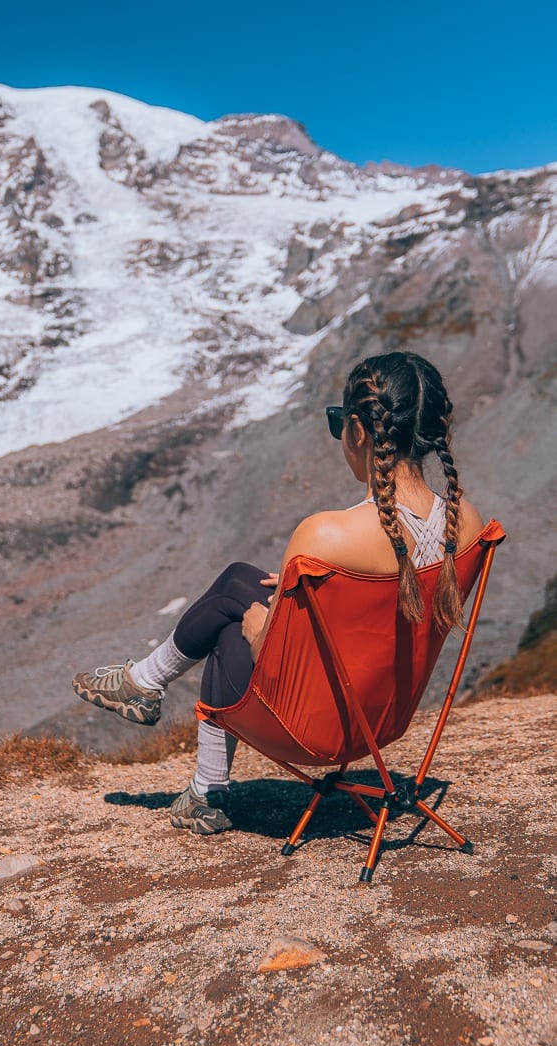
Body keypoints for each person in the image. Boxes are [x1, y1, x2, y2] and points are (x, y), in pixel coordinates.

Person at [71, 351, 484, 834]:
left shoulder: (326, 536)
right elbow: (383, 616)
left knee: (231, 626)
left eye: (339, 424)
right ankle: (145, 683)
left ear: (356, 431)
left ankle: (202, 785)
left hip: (313, 730)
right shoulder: (469, 526)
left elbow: (275, 658)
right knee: (241, 579)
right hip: (383, 720)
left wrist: (258, 626)